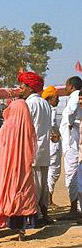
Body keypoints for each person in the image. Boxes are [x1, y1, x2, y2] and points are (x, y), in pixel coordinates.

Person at [0, 100, 38, 242]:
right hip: (23, 169)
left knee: (3, 195)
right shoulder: (28, 127)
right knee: (22, 196)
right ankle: (21, 232)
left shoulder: (7, 127)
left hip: (7, 168)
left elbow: (1, 142)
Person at [18, 71, 52, 225]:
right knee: (43, 184)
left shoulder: (30, 104)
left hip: (32, 149)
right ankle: (44, 214)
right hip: (44, 149)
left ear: (30, 87)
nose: (20, 89)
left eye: (22, 86)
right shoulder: (45, 103)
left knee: (34, 185)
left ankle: (36, 216)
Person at [59, 76, 82, 218]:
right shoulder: (75, 96)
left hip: (71, 143)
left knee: (72, 174)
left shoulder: (75, 96)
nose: (65, 89)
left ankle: (74, 209)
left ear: (72, 86)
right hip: (72, 142)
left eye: (66, 86)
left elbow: (73, 110)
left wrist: (70, 123)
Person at [42, 86, 62, 207]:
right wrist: (56, 134)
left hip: (46, 144)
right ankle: (48, 199)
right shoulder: (51, 110)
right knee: (54, 170)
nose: (58, 101)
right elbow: (53, 126)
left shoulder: (43, 108)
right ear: (51, 98)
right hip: (52, 143)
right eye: (57, 98)